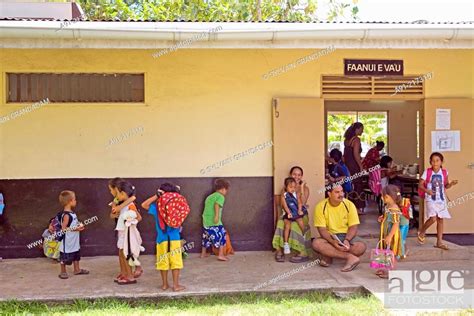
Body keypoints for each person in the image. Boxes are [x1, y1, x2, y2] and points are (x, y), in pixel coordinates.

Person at [312, 183, 366, 272]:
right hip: (330, 237)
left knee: (361, 247)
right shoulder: (320, 206)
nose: (341, 194)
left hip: (346, 236)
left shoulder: (349, 205)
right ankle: (349, 257)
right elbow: (322, 229)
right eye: (337, 192)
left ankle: (328, 255)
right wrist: (333, 242)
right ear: (329, 194)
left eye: (342, 191)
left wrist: (347, 240)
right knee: (316, 243)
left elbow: (353, 227)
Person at [142, 183, 185, 292]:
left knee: (163, 262)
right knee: (176, 262)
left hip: (161, 239)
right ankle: (176, 285)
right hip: (175, 238)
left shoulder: (157, 208)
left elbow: (144, 205)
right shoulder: (176, 207)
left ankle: (165, 284)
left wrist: (157, 195)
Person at [417, 152, 458, 250]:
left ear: (441, 162)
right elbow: (420, 185)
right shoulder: (427, 172)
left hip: (441, 199)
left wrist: (451, 184)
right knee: (433, 218)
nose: (435, 163)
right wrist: (427, 190)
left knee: (440, 219)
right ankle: (422, 231)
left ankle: (439, 242)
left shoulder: (444, 172)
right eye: (433, 161)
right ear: (430, 162)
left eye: (437, 160)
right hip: (430, 199)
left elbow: (446, 185)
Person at [272, 166, 312, 263]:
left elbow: (302, 203)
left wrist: (301, 188)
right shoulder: (285, 189)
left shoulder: (305, 189)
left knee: (295, 225)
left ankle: (302, 252)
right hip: (289, 213)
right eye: (294, 174)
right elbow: (283, 204)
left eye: (299, 175)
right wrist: (289, 213)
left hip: (300, 214)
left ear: (301, 176)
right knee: (281, 224)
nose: (296, 176)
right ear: (290, 175)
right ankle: (279, 250)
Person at [376, 185, 409, 279]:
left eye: (383, 196)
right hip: (385, 232)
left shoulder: (394, 209)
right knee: (384, 250)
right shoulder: (388, 206)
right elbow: (388, 218)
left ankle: (391, 271)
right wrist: (382, 218)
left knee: (391, 253)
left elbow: (396, 223)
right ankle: (383, 268)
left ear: (389, 197)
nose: (382, 198)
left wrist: (390, 236)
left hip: (391, 234)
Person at [113, 181, 142, 285]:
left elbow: (139, 217)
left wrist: (131, 222)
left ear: (123, 193)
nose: (116, 196)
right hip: (122, 232)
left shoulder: (130, 205)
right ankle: (125, 273)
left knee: (126, 254)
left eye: (117, 193)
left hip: (127, 234)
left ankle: (130, 276)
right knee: (121, 253)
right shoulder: (123, 205)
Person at [57, 190, 89, 279]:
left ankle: (77, 269)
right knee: (64, 257)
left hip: (74, 240)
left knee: (76, 255)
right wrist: (76, 228)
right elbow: (63, 229)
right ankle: (63, 271)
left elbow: (73, 223)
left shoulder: (72, 213)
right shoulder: (66, 215)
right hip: (67, 241)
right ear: (70, 201)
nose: (76, 201)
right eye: (74, 199)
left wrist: (79, 225)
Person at [201, 179, 230, 261]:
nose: (226, 192)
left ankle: (203, 253)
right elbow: (217, 205)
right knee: (222, 235)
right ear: (223, 189)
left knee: (206, 237)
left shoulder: (209, 197)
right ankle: (221, 254)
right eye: (226, 190)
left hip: (206, 221)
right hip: (214, 222)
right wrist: (216, 216)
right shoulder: (220, 196)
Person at [343, 122, 366, 215]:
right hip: (354, 166)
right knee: (357, 185)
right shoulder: (356, 140)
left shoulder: (347, 140)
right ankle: (356, 208)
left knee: (349, 185)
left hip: (347, 165)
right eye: (361, 129)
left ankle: (348, 206)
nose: (362, 131)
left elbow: (345, 155)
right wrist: (361, 166)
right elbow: (356, 154)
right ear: (357, 129)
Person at [281, 177, 306, 254]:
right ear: (286, 187)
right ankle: (286, 244)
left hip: (296, 211)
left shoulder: (296, 194)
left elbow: (299, 203)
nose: (293, 189)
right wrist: (288, 213)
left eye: (294, 187)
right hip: (288, 212)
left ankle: (304, 236)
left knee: (301, 222)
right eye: (290, 187)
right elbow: (285, 206)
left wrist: (299, 210)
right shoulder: (283, 195)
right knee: (287, 226)